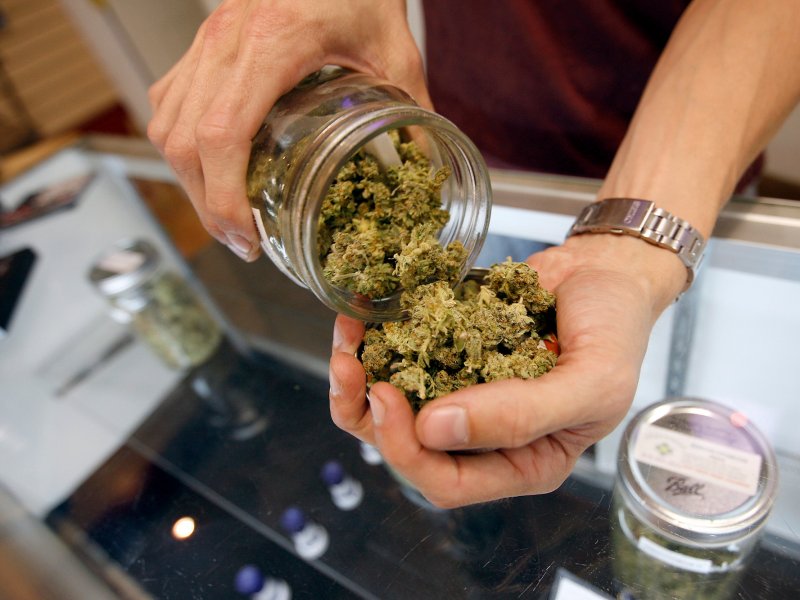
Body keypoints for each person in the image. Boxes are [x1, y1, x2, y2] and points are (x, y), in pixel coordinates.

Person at [147, 0, 800, 508]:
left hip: (686, 165)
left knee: (641, 368)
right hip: (467, 148)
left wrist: (630, 252)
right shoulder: (430, 226)